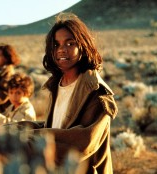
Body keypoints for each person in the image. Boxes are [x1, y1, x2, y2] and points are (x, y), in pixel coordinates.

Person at [28, 13, 118, 173]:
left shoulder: (97, 92)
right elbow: (56, 127)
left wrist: (31, 140)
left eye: (70, 43)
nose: (62, 50)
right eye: (56, 44)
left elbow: (85, 143)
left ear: (83, 46)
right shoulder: (57, 85)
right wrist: (15, 130)